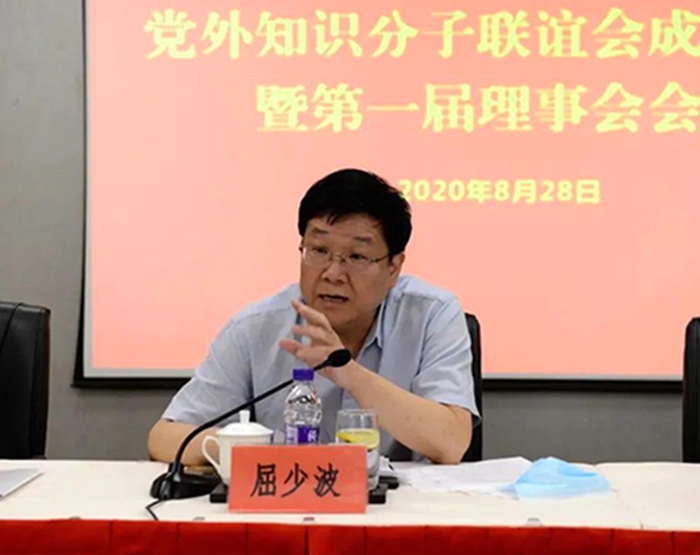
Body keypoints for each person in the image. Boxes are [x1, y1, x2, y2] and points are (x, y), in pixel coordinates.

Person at [148, 168, 479, 465]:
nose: (333, 273)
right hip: (285, 502)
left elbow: (451, 443)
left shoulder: (432, 314)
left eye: (357, 256)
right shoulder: (256, 328)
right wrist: (249, 451)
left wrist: (350, 374)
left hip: (395, 508)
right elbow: (165, 437)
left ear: (394, 267)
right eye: (319, 251)